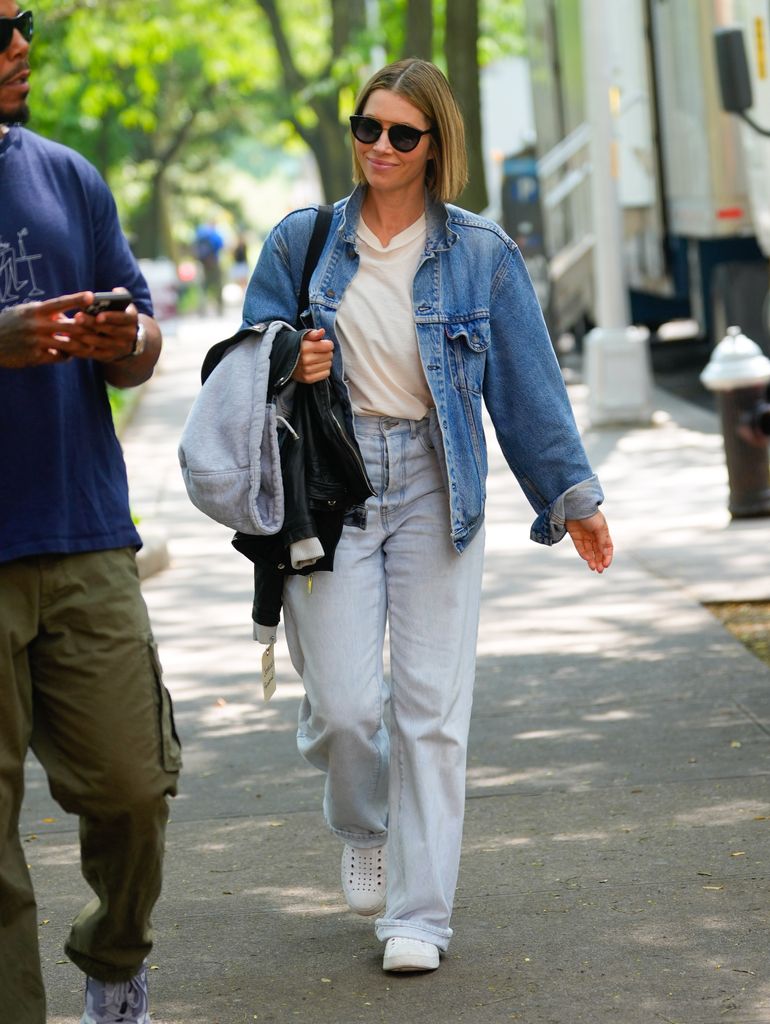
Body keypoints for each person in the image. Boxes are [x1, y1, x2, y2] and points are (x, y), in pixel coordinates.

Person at [240, 59, 613, 974]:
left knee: (431, 713)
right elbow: (245, 359)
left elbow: (527, 388)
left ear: (436, 145)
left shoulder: (480, 252)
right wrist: (295, 361)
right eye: (368, 128)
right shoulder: (305, 239)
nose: (379, 147)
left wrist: (573, 499)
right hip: (333, 487)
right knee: (342, 705)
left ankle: (419, 914)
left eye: (403, 134)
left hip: (437, 482)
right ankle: (364, 824)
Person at [0, 6, 181, 1023]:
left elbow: (141, 339)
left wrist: (126, 338)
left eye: (23, 23)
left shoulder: (68, 174)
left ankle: (114, 960)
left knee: (132, 784)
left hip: (81, 535)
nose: (21, 43)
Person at [194, 220, 224, 315]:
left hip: (203, 264)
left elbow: (194, 246)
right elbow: (221, 245)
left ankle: (202, 310)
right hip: (214, 262)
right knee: (218, 286)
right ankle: (219, 309)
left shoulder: (200, 232)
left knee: (203, 287)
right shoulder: (215, 234)